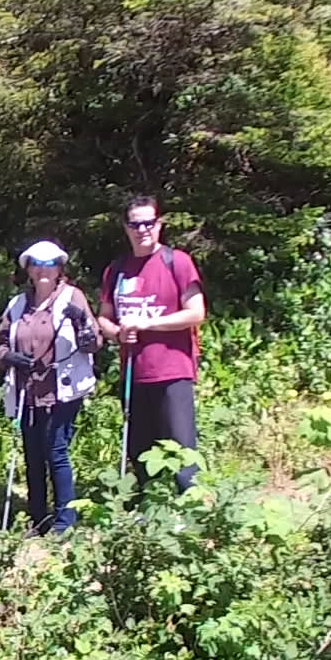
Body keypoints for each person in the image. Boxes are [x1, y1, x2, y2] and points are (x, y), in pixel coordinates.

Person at [96, 195, 205, 492]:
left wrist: (147, 324)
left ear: (159, 225)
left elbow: (196, 313)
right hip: (134, 371)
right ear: (126, 228)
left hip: (173, 371)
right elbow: (104, 318)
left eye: (148, 223)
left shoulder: (177, 262)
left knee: (181, 447)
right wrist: (117, 333)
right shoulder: (117, 269)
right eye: (135, 224)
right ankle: (149, 504)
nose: (142, 229)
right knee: (140, 448)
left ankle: (191, 506)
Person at [0, 240, 99, 533]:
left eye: (50, 264)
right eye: (36, 264)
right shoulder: (18, 304)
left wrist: (81, 323)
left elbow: (94, 343)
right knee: (33, 453)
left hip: (63, 388)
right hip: (27, 390)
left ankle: (65, 521)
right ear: (28, 269)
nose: (43, 270)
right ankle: (38, 518)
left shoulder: (72, 297)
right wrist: (9, 357)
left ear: (59, 268)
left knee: (56, 450)